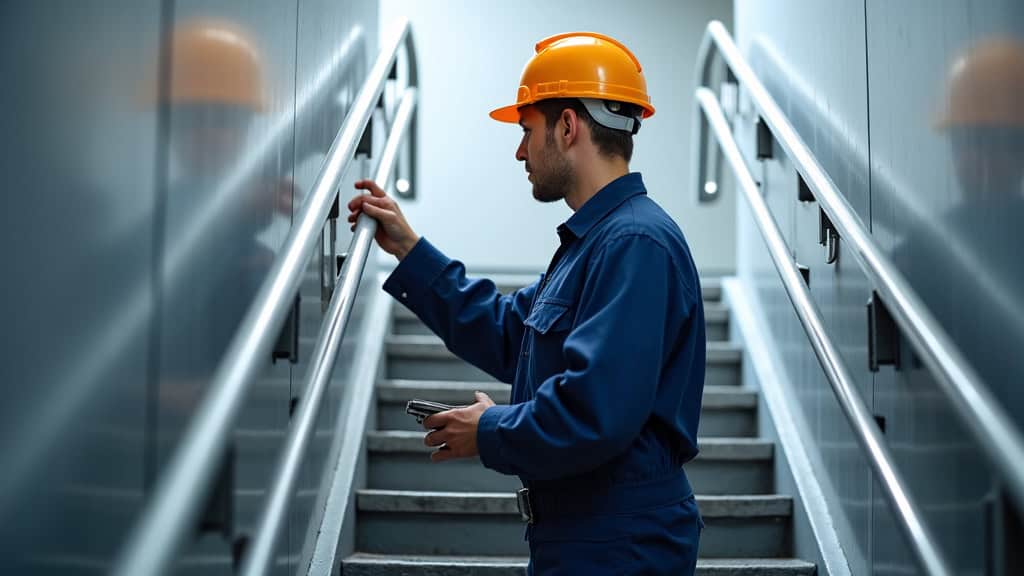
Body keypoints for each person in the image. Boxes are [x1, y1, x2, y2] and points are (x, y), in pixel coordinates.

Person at [348, 31, 706, 575]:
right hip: (585, 531)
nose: (519, 150)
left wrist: (490, 430)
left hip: (618, 539)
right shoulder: (596, 242)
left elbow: (596, 410)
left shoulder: (635, 242)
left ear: (567, 127)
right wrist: (409, 250)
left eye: (526, 130)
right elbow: (509, 332)